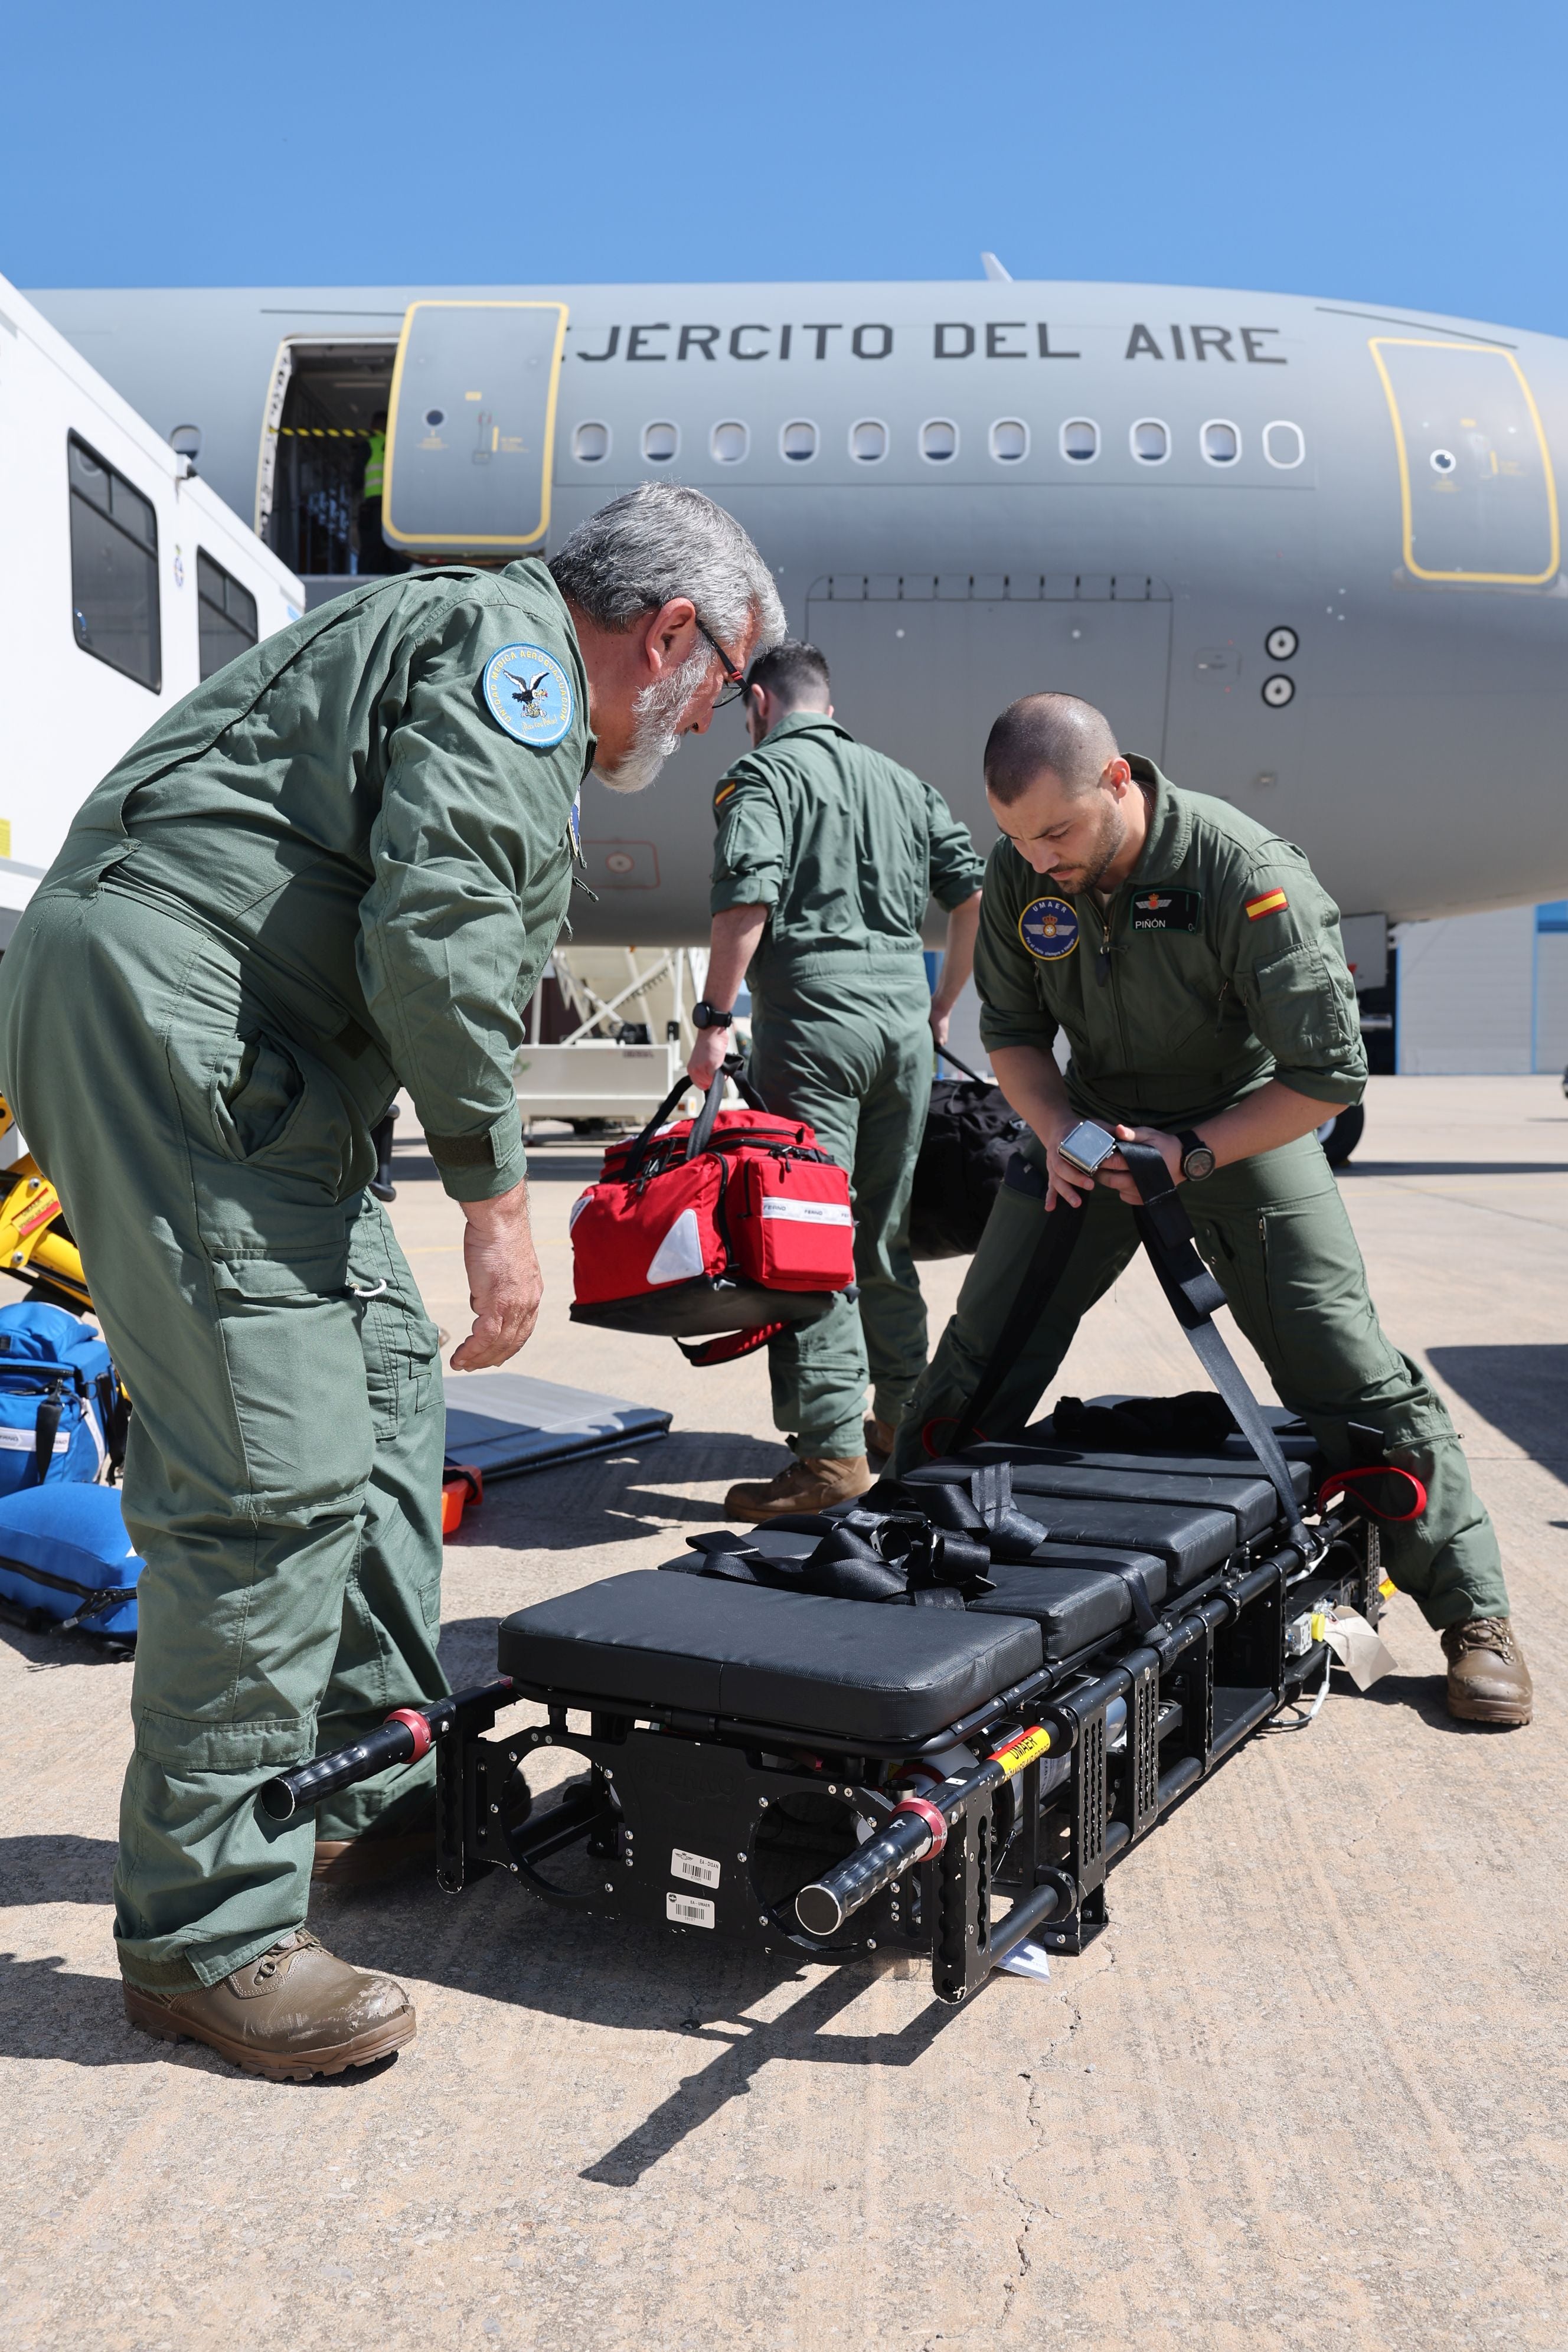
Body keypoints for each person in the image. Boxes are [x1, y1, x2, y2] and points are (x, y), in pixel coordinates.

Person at [0, 484, 783, 2080]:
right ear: (670, 634)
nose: (699, 727)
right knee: (272, 1475)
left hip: (256, 1061)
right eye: (711, 693)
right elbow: (438, 931)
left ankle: (368, 1786)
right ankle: (208, 1935)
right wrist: (497, 1196)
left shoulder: (444, 629)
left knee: (378, 1399)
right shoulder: (523, 667)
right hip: (190, 1037)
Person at [889, 692, 1531, 1728]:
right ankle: (892, 1541)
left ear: (1118, 782)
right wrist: (1054, 1128)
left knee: (1343, 1365)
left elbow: (1327, 1077)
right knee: (982, 1346)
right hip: (1091, 1132)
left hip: (1239, 1128)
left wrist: (1191, 1151)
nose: (1037, 857)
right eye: (1015, 835)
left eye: (1056, 830)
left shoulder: (1242, 872)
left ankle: (1475, 1617)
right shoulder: (1021, 870)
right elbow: (1009, 1030)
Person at [687, 641, 984, 1521]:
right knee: (883, 1235)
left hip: (814, 1028)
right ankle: (902, 1420)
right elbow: (970, 896)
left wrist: (712, 1022)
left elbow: (747, 899)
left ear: (761, 706)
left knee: (805, 1240)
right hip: (903, 1033)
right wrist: (942, 1002)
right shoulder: (901, 781)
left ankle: (828, 1460)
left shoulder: (763, 778)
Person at [356, 409, 407, 575]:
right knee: (397, 549)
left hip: (375, 505)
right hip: (397, 506)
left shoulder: (369, 445)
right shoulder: (401, 445)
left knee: (372, 549)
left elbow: (356, 478)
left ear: (373, 425)